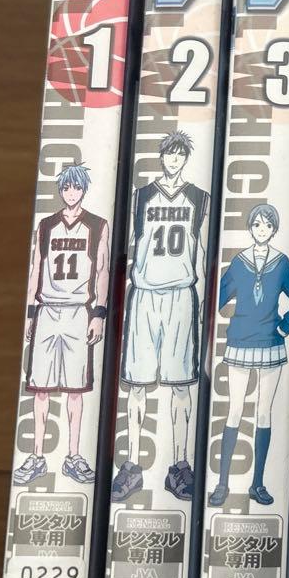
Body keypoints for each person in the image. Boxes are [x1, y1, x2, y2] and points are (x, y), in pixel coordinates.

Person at [113, 131, 208, 502]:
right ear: (161, 157)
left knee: (181, 385)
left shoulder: (199, 198)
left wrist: (202, 304)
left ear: (185, 159)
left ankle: (179, 465)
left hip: (181, 295)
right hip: (145, 295)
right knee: (137, 385)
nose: (173, 160)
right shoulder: (141, 197)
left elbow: (202, 251)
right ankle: (133, 465)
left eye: (179, 155)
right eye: (169, 154)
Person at [14, 163, 109, 486]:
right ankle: (37, 455)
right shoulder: (46, 225)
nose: (71, 193)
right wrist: (30, 313)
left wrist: (99, 313)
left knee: (75, 390)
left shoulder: (97, 224)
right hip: (47, 309)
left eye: (76, 187)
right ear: (60, 190)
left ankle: (73, 455)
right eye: (66, 187)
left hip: (78, 311)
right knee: (40, 388)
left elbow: (103, 270)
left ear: (84, 190)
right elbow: (35, 268)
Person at [208, 203, 289, 507]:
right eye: (257, 224)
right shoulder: (239, 261)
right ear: (250, 227)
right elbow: (218, 296)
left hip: (271, 340)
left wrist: (286, 325)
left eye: (268, 225)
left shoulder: (282, 262)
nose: (262, 230)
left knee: (263, 412)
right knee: (234, 409)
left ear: (274, 229)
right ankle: (222, 483)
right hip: (239, 339)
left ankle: (257, 483)